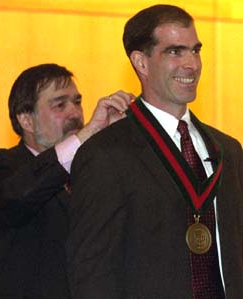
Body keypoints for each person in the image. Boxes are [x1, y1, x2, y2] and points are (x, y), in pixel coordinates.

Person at [67, 4, 243, 299]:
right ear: (141, 62)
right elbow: (91, 272)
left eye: (195, 50)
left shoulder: (228, 149)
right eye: (175, 52)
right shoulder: (105, 154)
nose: (192, 64)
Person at [0, 63, 133, 299]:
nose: (75, 114)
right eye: (60, 105)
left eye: (77, 102)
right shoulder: (3, 166)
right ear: (26, 120)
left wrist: (116, 141)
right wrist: (87, 133)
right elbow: (19, 195)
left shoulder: (94, 172)